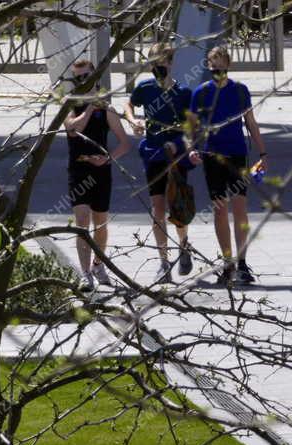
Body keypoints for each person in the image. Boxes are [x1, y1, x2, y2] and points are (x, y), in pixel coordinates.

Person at [190, 45, 268, 286]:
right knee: (219, 209)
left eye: (221, 68)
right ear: (208, 67)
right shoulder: (201, 93)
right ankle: (227, 263)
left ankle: (242, 262)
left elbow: (251, 122)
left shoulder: (240, 91)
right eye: (213, 68)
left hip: (237, 155)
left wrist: (263, 152)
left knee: (240, 208)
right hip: (212, 156)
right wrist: (191, 148)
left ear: (228, 66)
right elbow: (191, 126)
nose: (217, 72)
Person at [125, 42, 201, 283]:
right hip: (153, 152)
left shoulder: (184, 93)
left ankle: (183, 244)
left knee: (176, 204)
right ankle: (163, 262)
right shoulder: (144, 88)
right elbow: (129, 103)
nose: (157, 69)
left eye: (161, 64)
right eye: (153, 65)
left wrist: (187, 149)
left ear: (170, 63)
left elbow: (191, 127)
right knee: (157, 206)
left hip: (175, 153)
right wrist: (133, 120)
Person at [64, 59, 132, 291]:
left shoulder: (107, 110)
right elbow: (73, 130)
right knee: (82, 221)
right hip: (79, 170)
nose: (83, 82)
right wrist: (90, 107)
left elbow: (125, 143)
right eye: (78, 78)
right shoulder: (71, 105)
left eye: (86, 77)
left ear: (95, 78)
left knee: (100, 223)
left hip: (101, 171)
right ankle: (85, 274)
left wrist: (108, 158)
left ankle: (98, 264)